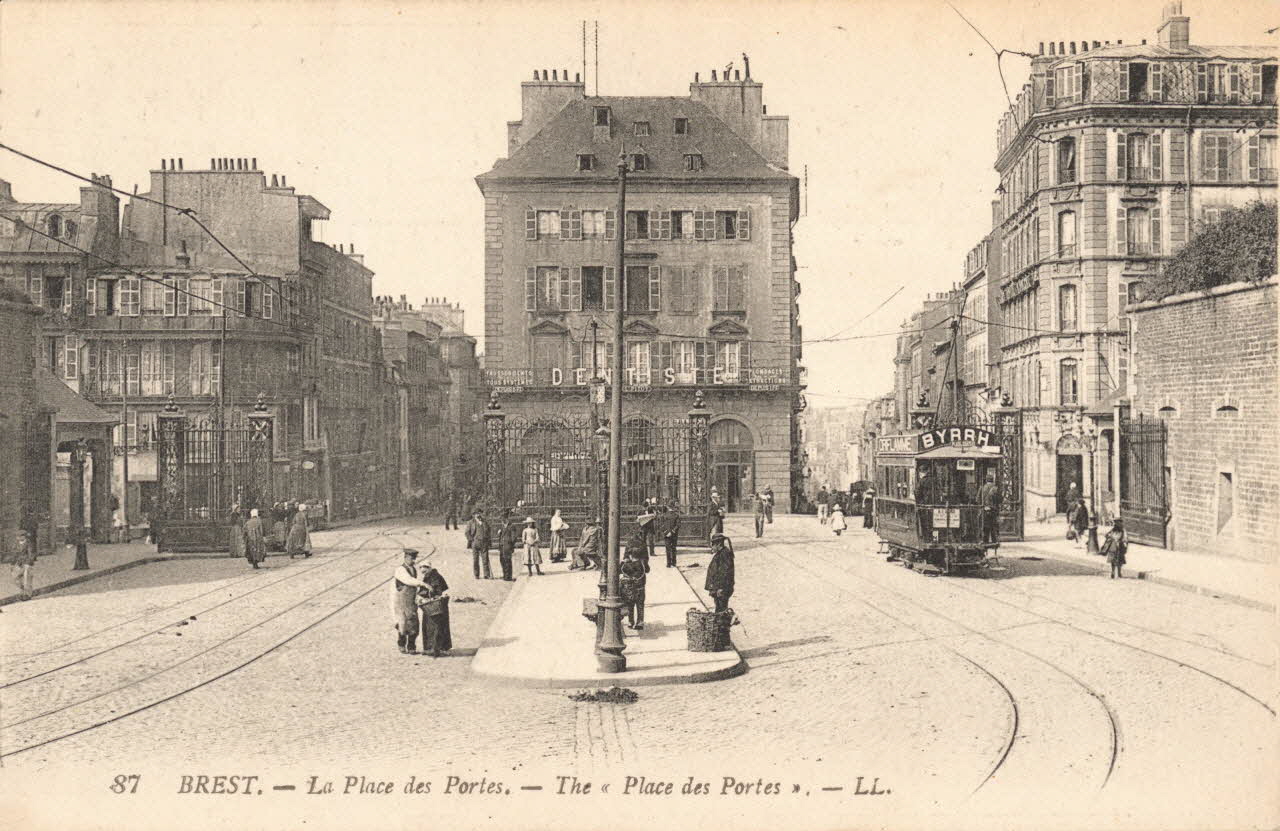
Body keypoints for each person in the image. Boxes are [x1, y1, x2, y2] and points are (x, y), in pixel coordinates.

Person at [390, 548, 429, 654]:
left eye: (414, 559)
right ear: (406, 557)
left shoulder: (413, 569)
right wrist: (422, 583)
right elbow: (408, 580)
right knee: (402, 624)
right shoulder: (400, 570)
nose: (413, 561)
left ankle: (411, 646)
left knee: (413, 624)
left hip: (411, 601)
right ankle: (401, 644)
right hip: (401, 601)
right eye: (412, 558)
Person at [417, 558, 452, 657]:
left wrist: (422, 596)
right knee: (438, 626)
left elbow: (434, 590)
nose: (422, 570)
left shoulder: (433, 577)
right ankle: (438, 647)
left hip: (434, 606)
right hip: (436, 605)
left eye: (424, 568)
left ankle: (435, 648)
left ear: (428, 568)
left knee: (434, 627)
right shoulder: (432, 575)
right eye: (421, 568)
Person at [620, 532, 648, 630]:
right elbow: (647, 569)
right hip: (640, 586)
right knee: (640, 604)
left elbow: (621, 569)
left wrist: (623, 562)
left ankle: (630, 622)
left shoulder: (626, 565)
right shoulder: (642, 563)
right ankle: (640, 622)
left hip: (629, 587)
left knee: (630, 605)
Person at [705, 532, 735, 613]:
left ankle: (722, 625)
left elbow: (725, 573)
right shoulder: (721, 554)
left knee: (721, 612)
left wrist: (720, 588)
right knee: (719, 610)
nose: (712, 547)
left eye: (713, 545)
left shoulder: (724, 555)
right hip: (719, 589)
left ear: (718, 544)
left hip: (722, 590)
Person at [10, 528, 37, 601]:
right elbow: (14, 554)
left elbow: (31, 554)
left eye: (19, 536)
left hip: (27, 564)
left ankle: (27, 594)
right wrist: (12, 564)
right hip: (19, 563)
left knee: (26, 579)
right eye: (17, 536)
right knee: (16, 578)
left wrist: (28, 563)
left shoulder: (29, 544)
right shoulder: (16, 544)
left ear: (24, 536)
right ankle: (23, 590)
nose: (17, 538)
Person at [465, 511, 492, 579]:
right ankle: (476, 574)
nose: (478, 515)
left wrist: (489, 541)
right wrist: (471, 540)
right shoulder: (471, 522)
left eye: (479, 513)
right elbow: (467, 532)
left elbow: (488, 532)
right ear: (474, 515)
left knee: (485, 559)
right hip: (475, 543)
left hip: (484, 543)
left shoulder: (485, 522)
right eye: (476, 513)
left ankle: (486, 574)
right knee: (475, 560)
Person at [497, 508, 519, 581]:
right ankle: (505, 575)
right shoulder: (502, 526)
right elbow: (501, 536)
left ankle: (508, 576)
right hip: (502, 546)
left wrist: (510, 544)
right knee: (502, 561)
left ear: (506, 519)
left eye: (502, 519)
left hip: (508, 546)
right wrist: (499, 534)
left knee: (507, 561)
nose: (501, 520)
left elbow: (514, 537)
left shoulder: (511, 526)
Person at [978, 473, 1000, 545]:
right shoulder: (996, 489)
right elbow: (1000, 499)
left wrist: (983, 505)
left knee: (985, 526)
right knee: (993, 526)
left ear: (986, 480)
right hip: (993, 510)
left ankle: (985, 541)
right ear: (993, 480)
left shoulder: (982, 488)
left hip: (984, 509)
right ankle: (994, 541)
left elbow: (977, 499)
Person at [658, 503, 680, 568]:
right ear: (674, 507)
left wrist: (666, 532)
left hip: (666, 535)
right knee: (673, 548)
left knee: (668, 549)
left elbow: (661, 525)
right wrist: (672, 532)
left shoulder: (664, 515)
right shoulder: (676, 515)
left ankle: (668, 563)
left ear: (668, 507)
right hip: (674, 535)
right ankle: (674, 562)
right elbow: (678, 525)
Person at [637, 505, 656, 573]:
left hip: (650, 528)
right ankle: (643, 552)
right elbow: (637, 519)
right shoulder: (640, 511)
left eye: (647, 506)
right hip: (643, 528)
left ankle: (652, 552)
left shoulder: (651, 510)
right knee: (643, 541)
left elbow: (654, 517)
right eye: (645, 507)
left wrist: (654, 513)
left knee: (651, 540)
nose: (646, 508)